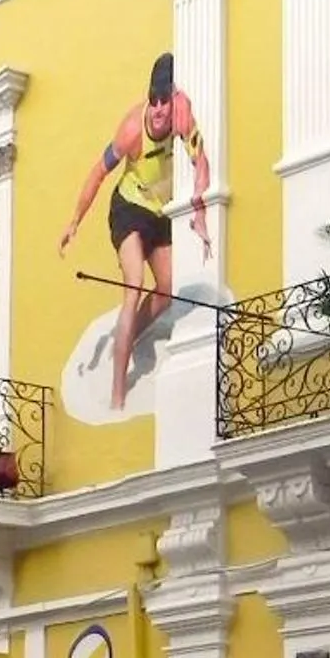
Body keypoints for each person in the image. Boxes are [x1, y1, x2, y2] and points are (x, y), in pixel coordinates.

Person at [58, 51, 210, 412]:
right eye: (153, 101)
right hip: (128, 207)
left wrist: (200, 211)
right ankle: (116, 392)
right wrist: (75, 220)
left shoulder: (183, 116)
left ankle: (128, 338)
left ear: (173, 99)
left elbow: (201, 163)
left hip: (159, 211)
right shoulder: (131, 130)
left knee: (167, 287)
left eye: (164, 102)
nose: (158, 112)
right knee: (135, 283)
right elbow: (98, 173)